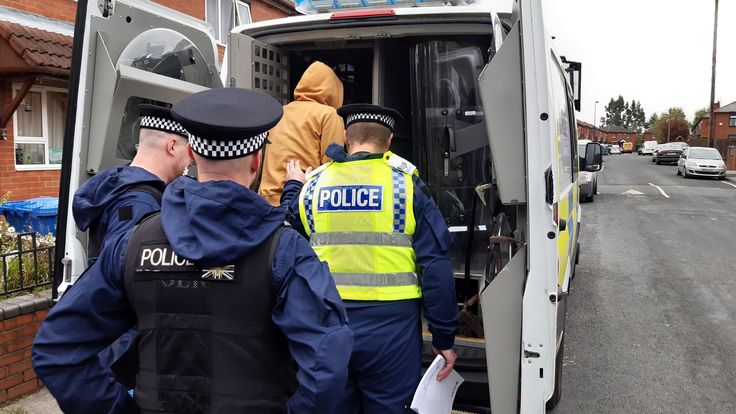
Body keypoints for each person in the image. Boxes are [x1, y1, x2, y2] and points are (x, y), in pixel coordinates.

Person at [33, 88, 354, 414]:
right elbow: (327, 361)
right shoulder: (284, 250)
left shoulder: (133, 243)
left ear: (193, 153)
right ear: (257, 160)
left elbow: (58, 349)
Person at [281, 104, 458, 413]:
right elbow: (436, 267)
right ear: (388, 140)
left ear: (347, 136)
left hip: (328, 323)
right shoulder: (406, 186)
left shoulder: (313, 187)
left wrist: (293, 186)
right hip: (392, 329)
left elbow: (285, 240)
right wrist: (443, 336)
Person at [73, 104, 192, 266]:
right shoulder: (139, 202)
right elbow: (121, 270)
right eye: (189, 150)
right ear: (172, 146)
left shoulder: (124, 186)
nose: (191, 160)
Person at [259, 61, 345, 205]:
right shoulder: (329, 115)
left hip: (266, 202)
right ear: (334, 90)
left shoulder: (280, 112)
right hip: (300, 202)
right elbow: (332, 165)